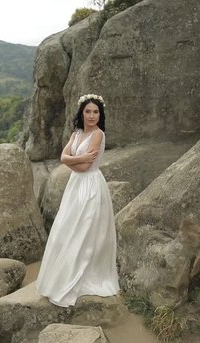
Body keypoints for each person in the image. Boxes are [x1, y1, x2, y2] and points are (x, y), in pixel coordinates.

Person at [36, 94, 120, 307]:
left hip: (90, 185)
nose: (92, 116)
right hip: (75, 186)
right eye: (88, 111)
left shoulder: (98, 135)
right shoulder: (77, 133)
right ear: (81, 113)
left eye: (96, 112)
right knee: (67, 229)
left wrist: (73, 161)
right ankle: (62, 275)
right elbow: (63, 158)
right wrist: (79, 158)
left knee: (85, 230)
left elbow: (82, 168)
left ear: (100, 115)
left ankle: (83, 275)